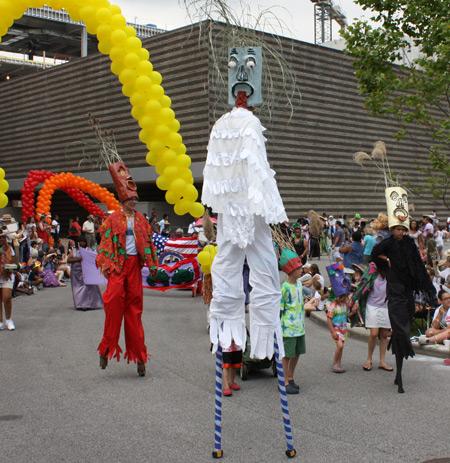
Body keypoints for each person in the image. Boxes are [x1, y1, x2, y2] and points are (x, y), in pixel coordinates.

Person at [96, 161, 158, 377]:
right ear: (123, 200)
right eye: (130, 199)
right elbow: (104, 244)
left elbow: (149, 245)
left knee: (134, 313)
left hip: (133, 267)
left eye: (135, 199)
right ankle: (105, 350)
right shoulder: (112, 219)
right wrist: (106, 264)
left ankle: (140, 358)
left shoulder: (142, 220)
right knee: (113, 304)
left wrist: (153, 266)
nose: (134, 202)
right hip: (117, 267)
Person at [371, 194, 436, 393]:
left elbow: (417, 265)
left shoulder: (409, 244)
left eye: (403, 229)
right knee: (400, 331)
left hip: (407, 291)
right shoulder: (388, 243)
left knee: (403, 328)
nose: (401, 232)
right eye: (398, 229)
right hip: (395, 290)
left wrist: (428, 288)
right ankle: (399, 375)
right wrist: (386, 261)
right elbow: (373, 255)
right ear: (392, 229)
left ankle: (399, 367)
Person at [350, 262, 393, 372]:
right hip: (372, 305)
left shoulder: (391, 272)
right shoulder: (372, 271)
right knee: (374, 333)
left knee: (384, 334)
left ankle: (382, 361)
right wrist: (355, 301)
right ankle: (369, 359)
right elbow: (362, 286)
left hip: (386, 306)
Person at [279, 248, 305, 394]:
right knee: (287, 354)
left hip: (299, 326)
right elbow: (280, 309)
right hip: (288, 327)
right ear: (291, 270)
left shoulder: (300, 285)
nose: (301, 270)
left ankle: (291, 376)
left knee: (297, 353)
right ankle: (283, 381)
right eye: (299, 268)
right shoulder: (284, 288)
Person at [326, 262, 352, 373]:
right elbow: (328, 318)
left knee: (341, 347)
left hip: (343, 329)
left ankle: (339, 363)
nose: (343, 299)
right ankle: (335, 363)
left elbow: (347, 316)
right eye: (341, 297)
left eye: (344, 297)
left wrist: (352, 312)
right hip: (336, 330)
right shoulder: (333, 306)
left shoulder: (344, 305)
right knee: (340, 346)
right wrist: (332, 331)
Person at [68, 235, 103, 311]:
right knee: (78, 288)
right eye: (80, 241)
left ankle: (89, 303)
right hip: (76, 272)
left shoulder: (88, 249)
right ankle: (80, 304)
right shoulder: (74, 251)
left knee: (88, 287)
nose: (82, 243)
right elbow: (69, 260)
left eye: (83, 242)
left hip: (86, 271)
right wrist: (78, 259)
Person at [0, 231, 16, 330]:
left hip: (7, 275)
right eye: (0, 238)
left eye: (3, 238)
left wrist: (8, 266)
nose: (2, 240)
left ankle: (9, 319)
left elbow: (14, 262)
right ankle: (0, 321)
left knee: (6, 297)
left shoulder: (10, 249)